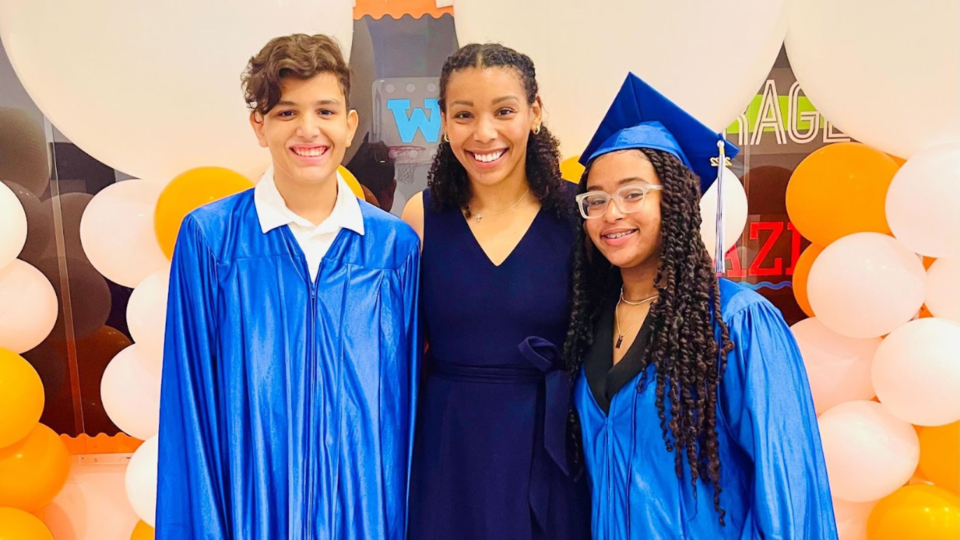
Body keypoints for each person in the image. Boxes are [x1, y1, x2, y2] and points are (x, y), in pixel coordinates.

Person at [156, 34, 421, 540]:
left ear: (350, 125)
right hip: (252, 506)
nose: (307, 129)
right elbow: (190, 401)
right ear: (259, 126)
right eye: (285, 113)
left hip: (365, 512)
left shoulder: (393, 250)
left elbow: (403, 413)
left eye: (324, 111)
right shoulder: (212, 240)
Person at [564, 73, 839, 540]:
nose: (612, 213)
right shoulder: (592, 323)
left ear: (677, 200)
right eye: (597, 199)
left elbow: (788, 483)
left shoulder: (736, 321)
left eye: (633, 194)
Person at [401, 43, 589, 540]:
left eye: (504, 111)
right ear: (444, 121)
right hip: (449, 447)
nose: (484, 133)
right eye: (464, 114)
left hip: (551, 446)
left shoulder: (580, 214)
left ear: (535, 112)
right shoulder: (421, 217)